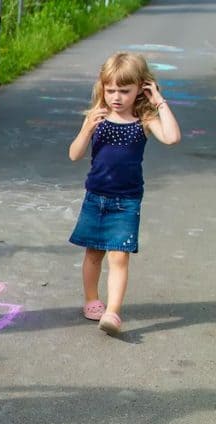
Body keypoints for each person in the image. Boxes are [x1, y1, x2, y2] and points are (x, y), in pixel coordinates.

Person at [68, 52, 180, 335]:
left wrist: (159, 102)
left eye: (124, 91)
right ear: (102, 88)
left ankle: (113, 312)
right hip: (96, 196)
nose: (116, 97)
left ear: (141, 88)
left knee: (119, 257)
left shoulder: (144, 118)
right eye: (111, 90)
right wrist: (87, 128)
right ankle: (92, 300)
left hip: (127, 200)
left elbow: (172, 137)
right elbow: (74, 154)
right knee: (94, 252)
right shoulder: (98, 117)